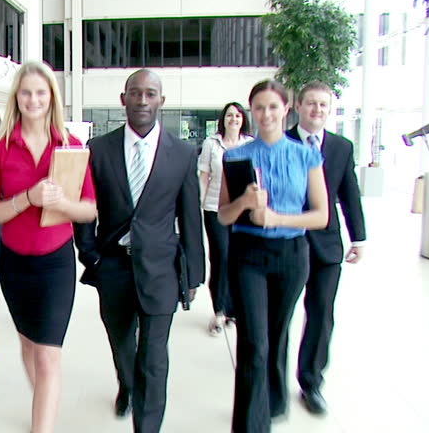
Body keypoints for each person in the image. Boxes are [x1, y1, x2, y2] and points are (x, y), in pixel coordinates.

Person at [74, 69, 205, 433]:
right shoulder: (98, 150)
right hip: (113, 266)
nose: (143, 101)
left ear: (161, 101)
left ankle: (146, 425)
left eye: (150, 94)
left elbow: (190, 216)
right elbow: (86, 206)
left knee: (154, 356)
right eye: (136, 93)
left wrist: (194, 273)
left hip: (162, 268)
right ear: (123, 99)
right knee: (121, 344)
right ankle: (127, 384)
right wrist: (89, 254)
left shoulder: (182, 153)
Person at [0, 61, 97, 433]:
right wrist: (28, 197)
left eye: (41, 93)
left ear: (52, 98)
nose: (34, 99)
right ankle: (44, 405)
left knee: (48, 356)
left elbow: (89, 209)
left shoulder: (71, 145)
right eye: (27, 92)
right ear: (17, 95)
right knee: (29, 347)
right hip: (14, 266)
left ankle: (41, 426)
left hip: (56, 265)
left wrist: (59, 205)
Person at [218, 80, 328, 433]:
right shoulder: (236, 157)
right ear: (252, 111)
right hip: (249, 253)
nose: (266, 114)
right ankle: (252, 425)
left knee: (278, 334)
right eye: (259, 107)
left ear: (287, 109)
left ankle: (275, 401)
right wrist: (245, 203)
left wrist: (278, 218)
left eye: (273, 107)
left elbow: (320, 215)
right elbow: (223, 215)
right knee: (254, 342)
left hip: (291, 254)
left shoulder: (306, 155)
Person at [287, 81, 366, 415]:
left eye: (323, 105)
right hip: (285, 243)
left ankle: (311, 381)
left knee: (321, 313)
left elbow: (349, 194)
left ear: (329, 110)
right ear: (298, 107)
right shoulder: (281, 141)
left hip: (326, 246)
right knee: (278, 316)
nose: (317, 110)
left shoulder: (341, 148)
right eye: (311, 104)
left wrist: (358, 238)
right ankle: (272, 383)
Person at [198, 102, 253, 336]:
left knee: (239, 259)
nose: (234, 119)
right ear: (223, 119)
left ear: (243, 119)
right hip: (214, 209)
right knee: (220, 258)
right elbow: (204, 176)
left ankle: (234, 309)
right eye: (229, 115)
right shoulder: (212, 143)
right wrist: (198, 204)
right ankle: (219, 311)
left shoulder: (250, 144)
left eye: (238, 115)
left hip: (242, 211)